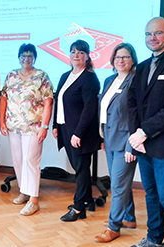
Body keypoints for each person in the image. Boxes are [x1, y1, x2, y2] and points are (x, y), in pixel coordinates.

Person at [128, 17, 164, 247]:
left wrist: (144, 132)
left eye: (158, 33)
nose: (152, 38)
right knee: (150, 195)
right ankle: (154, 239)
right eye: (148, 34)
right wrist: (136, 135)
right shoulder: (141, 67)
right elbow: (132, 103)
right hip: (144, 145)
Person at [0, 43, 53, 216]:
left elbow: (48, 102)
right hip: (13, 125)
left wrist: (45, 126)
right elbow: (3, 99)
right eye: (23, 55)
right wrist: (1, 121)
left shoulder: (41, 76)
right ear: (19, 57)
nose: (26, 59)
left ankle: (34, 200)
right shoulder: (11, 75)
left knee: (31, 161)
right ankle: (24, 191)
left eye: (30, 56)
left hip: (34, 127)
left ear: (34, 57)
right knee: (18, 160)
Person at [94, 43, 138, 243]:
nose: (121, 60)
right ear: (112, 60)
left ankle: (114, 227)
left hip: (125, 142)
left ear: (133, 60)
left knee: (118, 186)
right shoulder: (109, 80)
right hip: (110, 141)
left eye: (126, 57)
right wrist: (102, 137)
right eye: (118, 57)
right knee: (121, 183)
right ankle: (129, 218)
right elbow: (105, 111)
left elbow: (138, 116)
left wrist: (131, 145)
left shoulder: (135, 82)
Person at [52, 39, 100, 222]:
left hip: (80, 132)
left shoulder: (90, 78)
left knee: (80, 169)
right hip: (65, 128)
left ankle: (79, 208)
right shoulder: (65, 75)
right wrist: (56, 125)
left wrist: (78, 133)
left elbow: (89, 109)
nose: (76, 55)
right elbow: (59, 101)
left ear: (87, 56)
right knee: (80, 168)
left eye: (81, 52)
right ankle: (86, 199)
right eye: (73, 52)